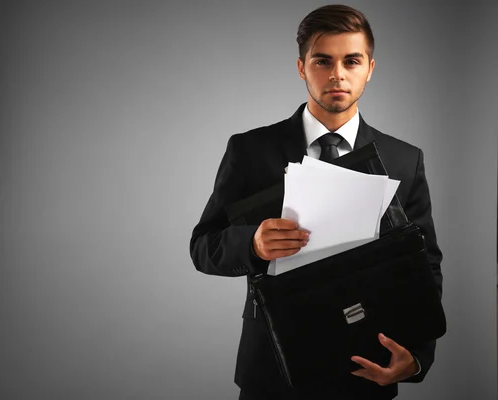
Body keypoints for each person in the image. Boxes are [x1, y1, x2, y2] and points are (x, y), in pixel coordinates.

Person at [189, 4, 443, 399]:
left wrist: (417, 356)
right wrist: (252, 244)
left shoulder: (404, 159)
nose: (337, 74)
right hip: (271, 369)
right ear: (301, 67)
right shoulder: (250, 150)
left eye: (351, 61)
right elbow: (203, 248)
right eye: (322, 61)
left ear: (370, 68)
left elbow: (425, 264)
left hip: (368, 367)